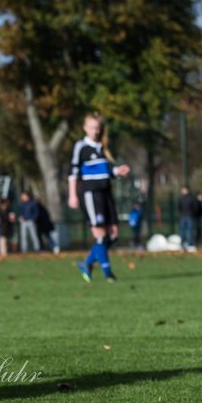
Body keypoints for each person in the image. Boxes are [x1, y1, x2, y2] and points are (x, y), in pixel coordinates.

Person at [68, 112, 130, 282]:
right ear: (85, 128)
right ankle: (108, 273)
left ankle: (87, 263)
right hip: (90, 194)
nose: (95, 131)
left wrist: (118, 171)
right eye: (92, 128)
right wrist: (72, 195)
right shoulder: (81, 147)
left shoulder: (102, 148)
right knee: (100, 234)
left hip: (106, 193)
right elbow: (73, 172)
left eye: (97, 128)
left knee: (113, 234)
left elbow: (107, 171)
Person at [178, 186, 198, 251]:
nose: (183, 191)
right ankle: (182, 244)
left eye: (184, 190)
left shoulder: (191, 198)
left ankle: (190, 245)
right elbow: (179, 207)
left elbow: (195, 207)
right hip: (183, 216)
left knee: (190, 231)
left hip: (190, 216)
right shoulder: (180, 198)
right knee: (182, 231)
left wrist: (192, 213)